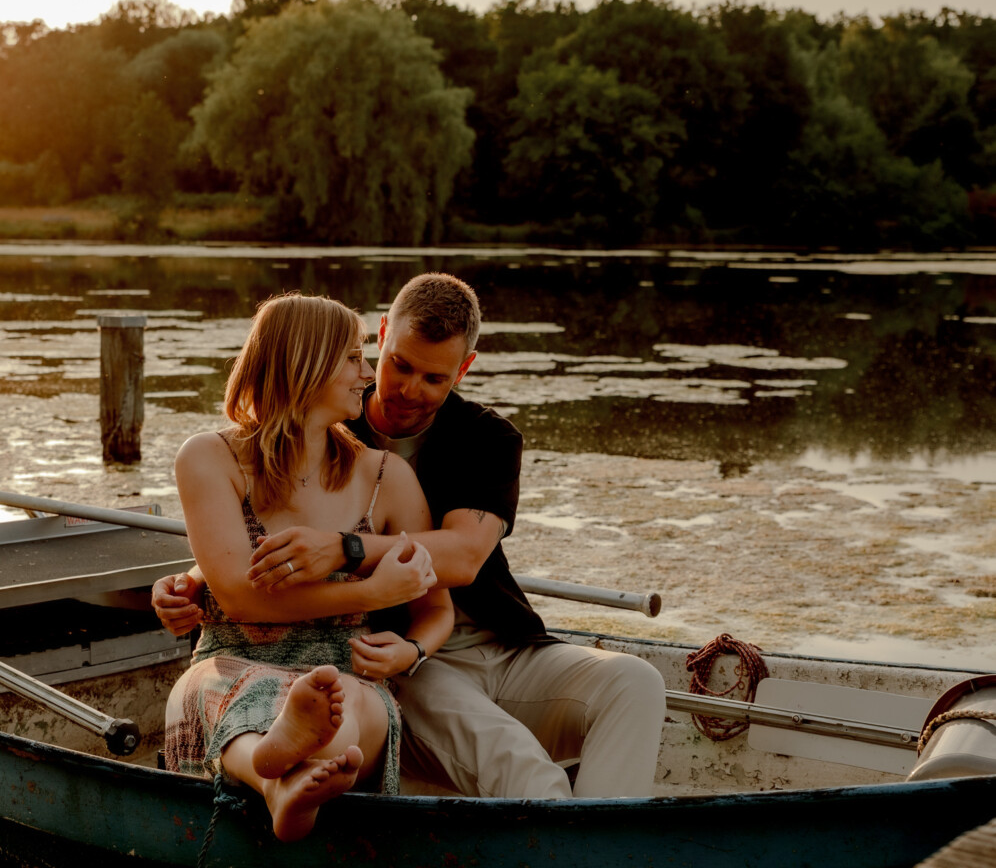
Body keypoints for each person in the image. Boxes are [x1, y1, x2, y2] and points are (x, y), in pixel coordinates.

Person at [156, 273, 665, 800]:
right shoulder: (330, 424)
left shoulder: (485, 438)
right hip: (399, 660)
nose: (408, 389)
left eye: (434, 378)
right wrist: (194, 578)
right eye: (399, 364)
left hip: (497, 644)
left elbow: (462, 559)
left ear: (463, 369)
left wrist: (346, 548)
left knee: (637, 682)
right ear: (382, 336)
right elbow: (263, 526)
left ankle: (602, 836)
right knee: (517, 763)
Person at [162, 293, 453, 841]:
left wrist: (412, 650)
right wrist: (370, 594)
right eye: (353, 358)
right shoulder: (210, 457)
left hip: (343, 673)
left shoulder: (386, 477)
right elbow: (240, 598)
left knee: (347, 702)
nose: (367, 374)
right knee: (223, 688)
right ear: (305, 361)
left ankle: (282, 777)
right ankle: (277, 778)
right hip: (232, 658)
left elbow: (437, 608)